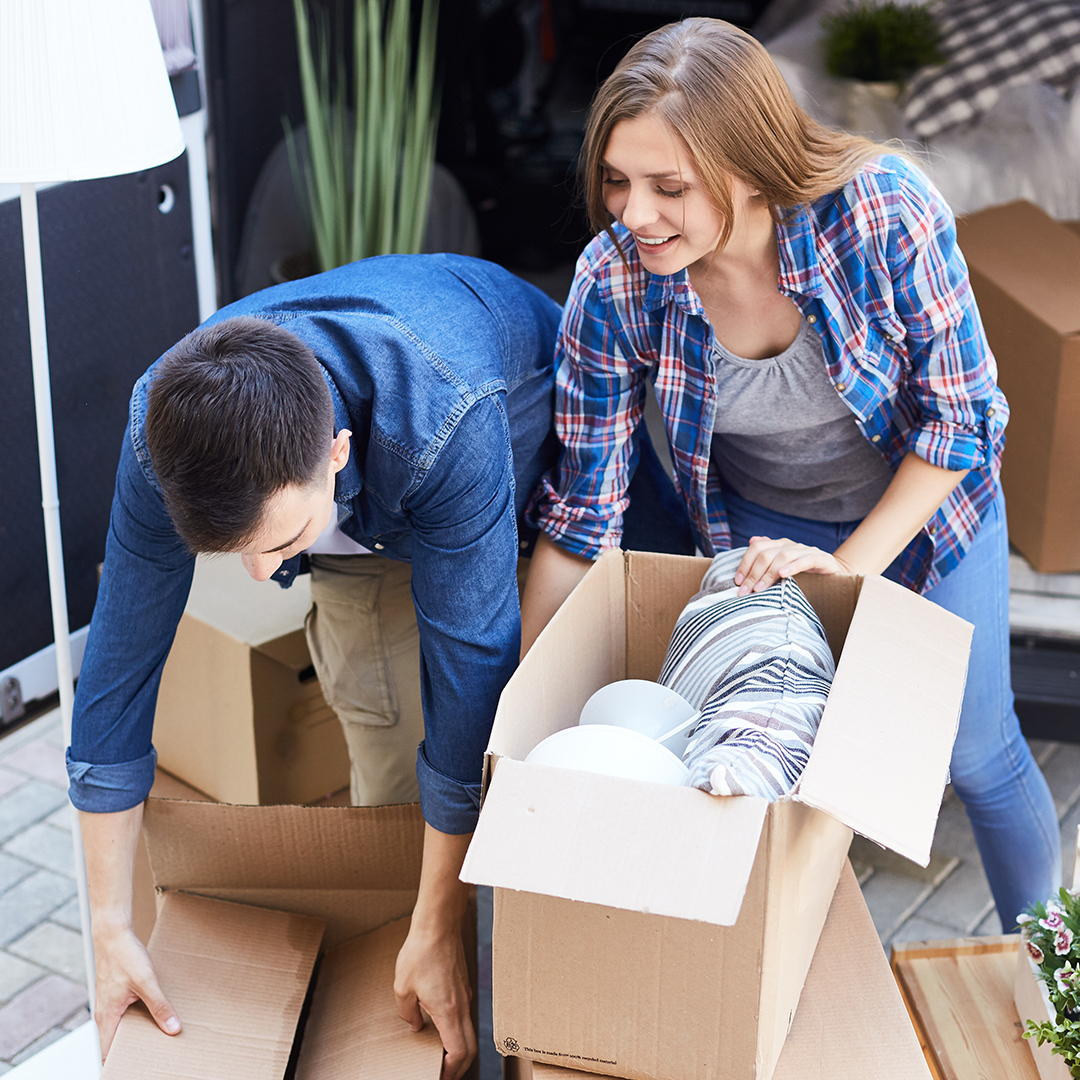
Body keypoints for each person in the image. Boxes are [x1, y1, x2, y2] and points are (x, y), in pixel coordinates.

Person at [520, 18, 1061, 930]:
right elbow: (583, 518)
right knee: (777, 764)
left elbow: (965, 419)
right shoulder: (615, 282)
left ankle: (1053, 981)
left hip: (930, 507)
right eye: (616, 180)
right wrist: (538, 724)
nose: (632, 212)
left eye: (667, 187)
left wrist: (853, 566)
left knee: (974, 752)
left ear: (750, 163)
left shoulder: (883, 210)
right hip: (764, 531)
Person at [68, 253, 562, 1079]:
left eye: (281, 545)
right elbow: (118, 668)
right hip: (366, 515)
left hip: (513, 433)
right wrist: (109, 928)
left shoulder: (443, 411)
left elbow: (470, 672)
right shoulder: (163, 431)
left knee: (514, 751)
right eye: (233, 556)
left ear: (334, 453)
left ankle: (490, 978)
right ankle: (410, 1013)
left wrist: (444, 923)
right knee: (390, 780)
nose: (261, 578)